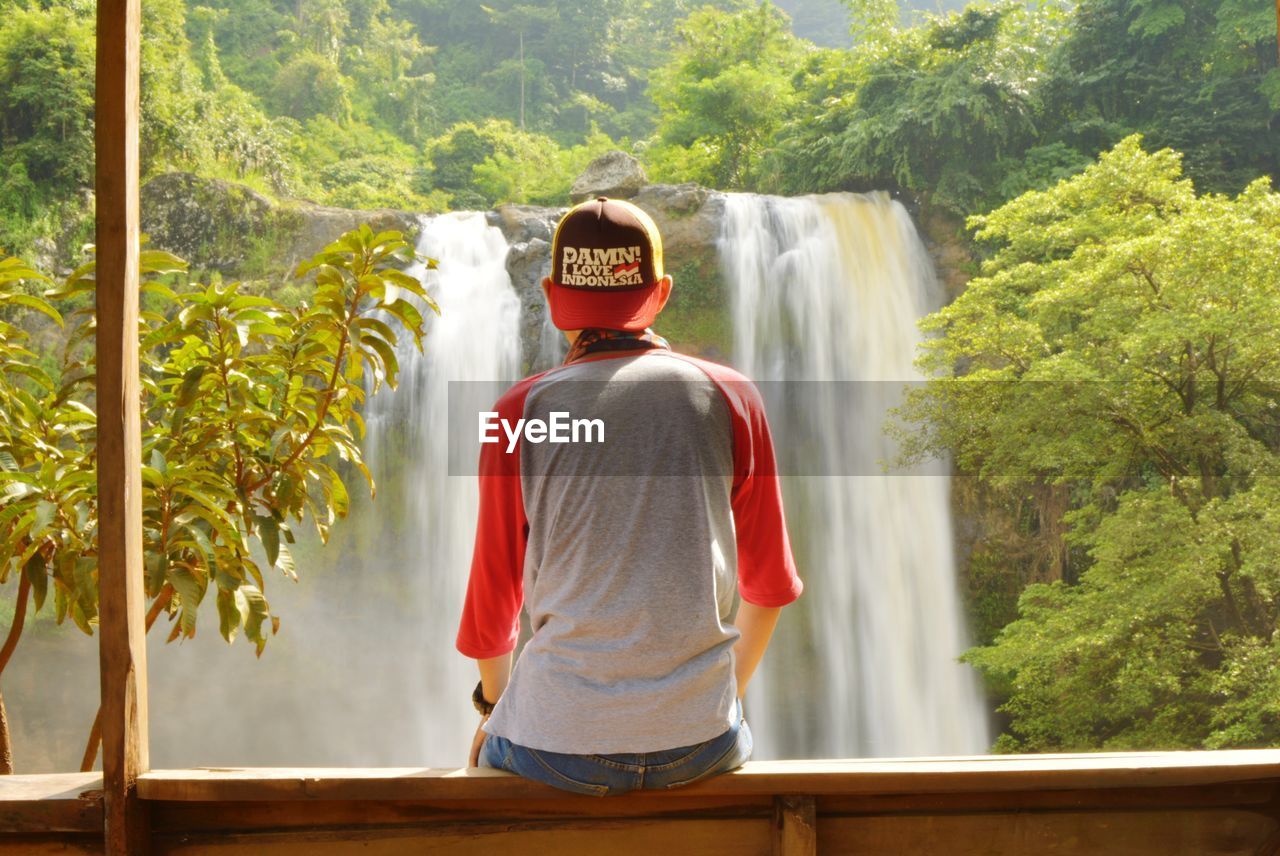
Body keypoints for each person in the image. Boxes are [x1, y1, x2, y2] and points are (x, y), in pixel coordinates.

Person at [456, 196, 802, 796]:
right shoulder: (734, 399)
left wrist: (492, 709)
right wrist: (721, 703)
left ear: (554, 298)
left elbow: (493, 603)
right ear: (660, 292)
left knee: (482, 766)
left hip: (553, 748)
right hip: (701, 745)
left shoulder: (518, 414)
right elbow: (768, 586)